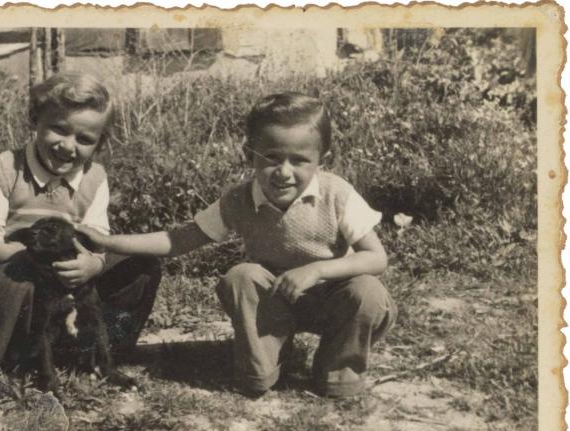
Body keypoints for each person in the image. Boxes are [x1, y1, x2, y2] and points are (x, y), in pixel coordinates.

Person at [76, 92, 397, 398]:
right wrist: (109, 242)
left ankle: (338, 373)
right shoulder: (239, 200)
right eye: (271, 157)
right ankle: (264, 367)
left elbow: (376, 258)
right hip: (275, 304)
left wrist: (317, 270)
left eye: (299, 161)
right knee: (241, 276)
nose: (284, 172)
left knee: (367, 290)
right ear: (249, 153)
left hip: (333, 301)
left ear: (320, 160)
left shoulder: (337, 194)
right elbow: (178, 240)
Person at [0, 72, 161, 412]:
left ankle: (97, 353)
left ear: (100, 143)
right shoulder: (7, 167)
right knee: (10, 275)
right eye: (59, 129)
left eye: (84, 139)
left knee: (141, 265)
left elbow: (98, 241)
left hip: (70, 283)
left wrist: (92, 264)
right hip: (23, 285)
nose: (68, 146)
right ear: (35, 120)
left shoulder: (95, 178)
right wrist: (25, 258)